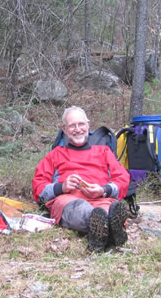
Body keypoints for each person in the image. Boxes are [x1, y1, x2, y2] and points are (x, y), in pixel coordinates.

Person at [32, 106, 131, 252]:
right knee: (83, 210)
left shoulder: (103, 152)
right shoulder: (56, 154)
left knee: (106, 209)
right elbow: (38, 187)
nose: (77, 129)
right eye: (72, 125)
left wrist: (103, 190)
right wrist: (61, 187)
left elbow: (123, 178)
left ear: (88, 125)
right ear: (64, 129)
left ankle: (105, 229)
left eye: (81, 124)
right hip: (69, 200)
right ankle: (109, 230)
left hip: (101, 199)